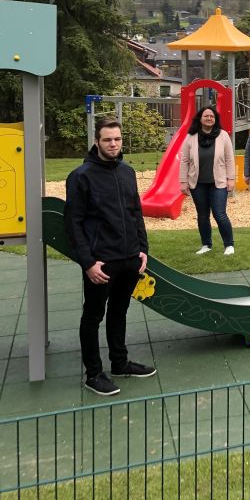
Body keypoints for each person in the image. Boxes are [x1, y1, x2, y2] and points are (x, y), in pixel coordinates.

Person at [65, 117, 155, 396]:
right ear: (96, 141)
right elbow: (73, 224)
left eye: (117, 139)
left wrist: (143, 249)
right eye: (107, 139)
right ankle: (93, 373)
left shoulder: (127, 172)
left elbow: (135, 213)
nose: (113, 144)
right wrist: (88, 262)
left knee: (120, 311)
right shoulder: (81, 176)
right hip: (101, 262)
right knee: (93, 317)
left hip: (129, 257)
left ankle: (120, 362)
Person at [179, 105, 236, 256]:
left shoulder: (223, 135)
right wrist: (183, 181)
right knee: (203, 215)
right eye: (206, 116)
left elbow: (230, 159)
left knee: (219, 213)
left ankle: (229, 245)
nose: (209, 118)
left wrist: (231, 178)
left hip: (219, 183)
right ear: (200, 119)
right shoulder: (191, 137)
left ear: (215, 119)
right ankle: (206, 244)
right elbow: (184, 160)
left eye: (212, 116)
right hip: (198, 184)